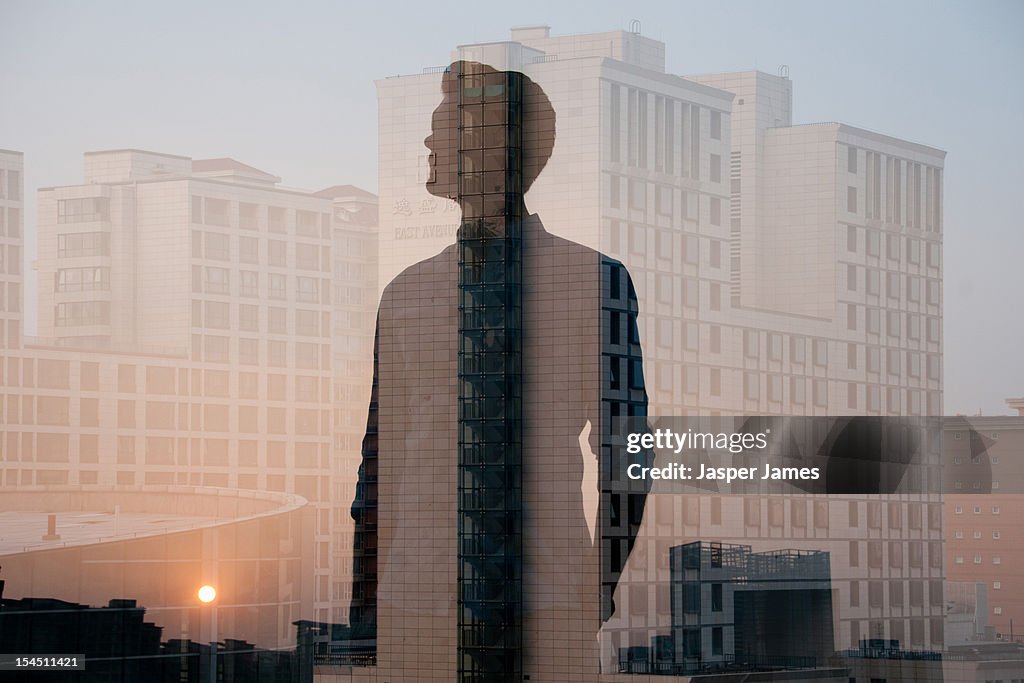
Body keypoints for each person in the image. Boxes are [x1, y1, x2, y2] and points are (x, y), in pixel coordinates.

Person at [350, 60, 649, 680]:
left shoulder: (593, 281)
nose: (430, 142)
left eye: (448, 129)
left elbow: (627, 458)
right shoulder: (407, 293)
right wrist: (368, 608)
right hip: (419, 602)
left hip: (545, 596)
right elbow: (378, 470)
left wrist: (595, 588)